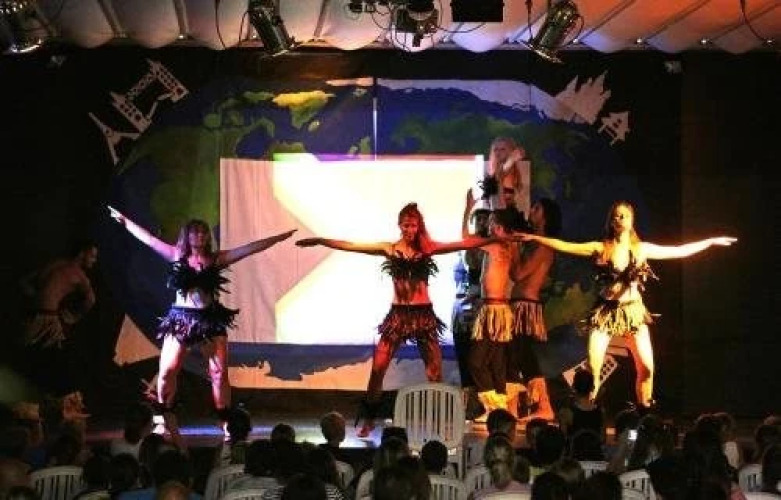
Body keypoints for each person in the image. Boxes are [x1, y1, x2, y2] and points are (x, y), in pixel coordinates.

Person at [296, 202, 497, 437]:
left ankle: (440, 422)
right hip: (398, 315)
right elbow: (352, 245)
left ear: (419, 226)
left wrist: (497, 239)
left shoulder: (427, 248)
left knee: (434, 373)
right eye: (406, 225)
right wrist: (321, 240)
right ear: (399, 225)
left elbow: (462, 244)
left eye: (413, 225)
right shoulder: (389, 248)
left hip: (423, 315)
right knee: (378, 369)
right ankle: (369, 420)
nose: (409, 230)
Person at [516, 200, 736, 408]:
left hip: (633, 313)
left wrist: (709, 242)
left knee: (647, 368)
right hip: (606, 312)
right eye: (616, 216)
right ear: (611, 222)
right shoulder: (601, 248)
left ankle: (644, 410)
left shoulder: (641, 249)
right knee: (593, 369)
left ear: (631, 221)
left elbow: (678, 250)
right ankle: (587, 410)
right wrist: (536, 238)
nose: (620, 219)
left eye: (624, 216)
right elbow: (567, 246)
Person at [108, 206, 295, 436]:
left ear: (207, 237)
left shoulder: (216, 259)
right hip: (181, 318)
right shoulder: (176, 256)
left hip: (209, 319)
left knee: (218, 373)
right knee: (166, 371)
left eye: (203, 232)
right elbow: (149, 239)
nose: (199, 235)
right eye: (195, 232)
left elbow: (248, 249)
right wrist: (125, 221)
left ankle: (224, 421)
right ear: (187, 236)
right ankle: (164, 415)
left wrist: (277, 238)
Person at [463, 190, 519, 422]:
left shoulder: (497, 246)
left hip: (495, 310)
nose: (489, 225)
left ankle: (495, 407)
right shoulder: (501, 246)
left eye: (494, 222)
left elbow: (465, 239)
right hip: (494, 309)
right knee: (495, 362)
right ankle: (498, 408)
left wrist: (468, 208)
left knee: (477, 362)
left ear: (502, 228)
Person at [507, 198, 562, 422]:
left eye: (537, 208)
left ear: (545, 217)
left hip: (525, 306)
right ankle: (532, 406)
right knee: (521, 356)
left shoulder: (543, 245)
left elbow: (518, 274)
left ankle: (539, 405)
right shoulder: (536, 243)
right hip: (521, 304)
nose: (531, 210)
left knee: (519, 355)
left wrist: (513, 247)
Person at [20, 241, 98, 349]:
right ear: (82, 253)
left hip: (38, 314)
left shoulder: (56, 263)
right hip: (44, 318)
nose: (94, 260)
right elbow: (91, 300)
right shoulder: (80, 276)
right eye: (92, 256)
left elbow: (25, 281)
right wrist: (73, 317)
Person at [480, 137, 527, 211]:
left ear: (510, 151)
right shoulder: (495, 170)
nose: (498, 153)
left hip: (506, 213)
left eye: (503, 149)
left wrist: (512, 158)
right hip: (496, 212)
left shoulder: (508, 169)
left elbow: (502, 173)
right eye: (495, 149)